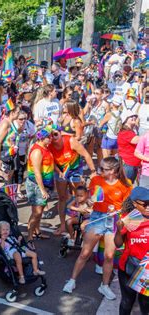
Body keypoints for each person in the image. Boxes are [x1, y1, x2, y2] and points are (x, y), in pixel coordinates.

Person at [63, 157, 132, 300]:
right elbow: (91, 198)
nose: (99, 171)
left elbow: (127, 207)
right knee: (85, 253)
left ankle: (104, 286)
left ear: (112, 171)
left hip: (113, 220)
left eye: (103, 169)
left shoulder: (126, 184)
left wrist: (119, 211)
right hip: (97, 218)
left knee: (109, 256)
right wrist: (89, 201)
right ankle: (72, 280)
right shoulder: (96, 180)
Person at [48, 128, 97, 234]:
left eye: (56, 134)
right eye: (51, 135)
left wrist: (93, 171)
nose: (53, 137)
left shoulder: (70, 141)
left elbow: (86, 155)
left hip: (75, 169)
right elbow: (52, 162)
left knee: (79, 195)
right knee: (62, 197)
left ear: (61, 134)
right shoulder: (49, 145)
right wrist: (58, 171)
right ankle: (62, 226)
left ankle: (82, 221)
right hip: (61, 170)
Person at [114, 187, 149, 315]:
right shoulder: (130, 219)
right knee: (127, 302)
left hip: (147, 269)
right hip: (129, 267)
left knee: (145, 304)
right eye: (145, 204)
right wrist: (119, 230)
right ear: (134, 204)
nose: (148, 207)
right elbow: (118, 244)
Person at [26, 126, 55, 247]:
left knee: (40, 210)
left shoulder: (45, 147)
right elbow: (37, 172)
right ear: (42, 138)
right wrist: (43, 190)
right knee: (36, 212)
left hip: (45, 184)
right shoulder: (37, 151)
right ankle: (28, 238)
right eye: (49, 137)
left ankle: (37, 232)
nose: (51, 139)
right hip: (37, 185)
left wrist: (59, 171)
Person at [0, 105, 21, 186]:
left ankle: (6, 197)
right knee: (3, 180)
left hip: (11, 154)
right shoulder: (5, 123)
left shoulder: (11, 122)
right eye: (18, 112)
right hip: (4, 153)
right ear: (12, 113)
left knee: (8, 180)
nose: (19, 114)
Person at [117, 112, 140, 183]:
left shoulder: (131, 131)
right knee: (125, 187)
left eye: (135, 116)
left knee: (128, 187)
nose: (134, 117)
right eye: (131, 116)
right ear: (125, 119)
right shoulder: (125, 132)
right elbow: (136, 140)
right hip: (128, 164)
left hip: (131, 164)